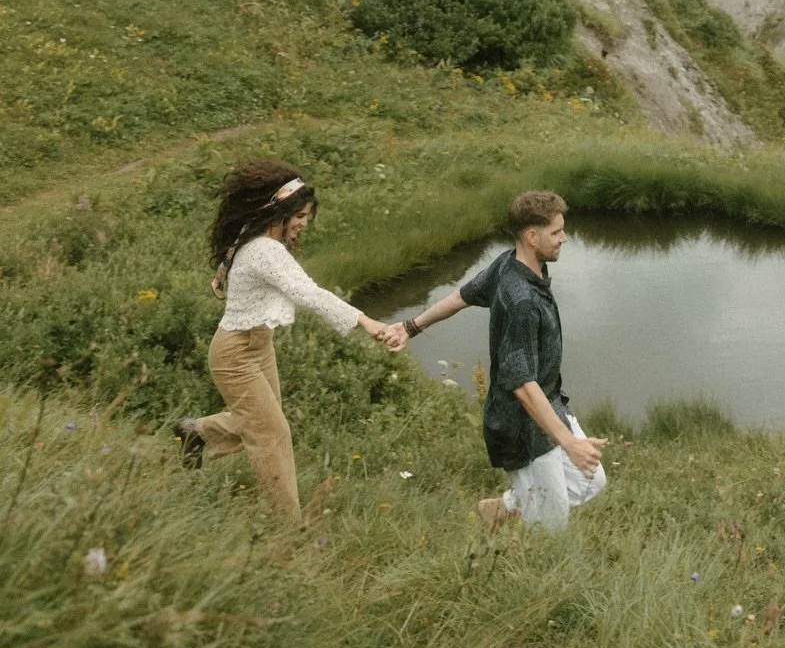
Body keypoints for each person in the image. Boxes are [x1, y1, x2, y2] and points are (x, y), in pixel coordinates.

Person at [173, 159, 393, 523]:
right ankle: (287, 529)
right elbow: (309, 293)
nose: (303, 224)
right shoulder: (266, 251)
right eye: (301, 216)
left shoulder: (258, 238)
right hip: (235, 354)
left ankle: (196, 434)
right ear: (281, 212)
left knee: (259, 423)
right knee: (272, 433)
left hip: (258, 345)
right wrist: (366, 322)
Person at [382, 189, 606, 531]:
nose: (565, 238)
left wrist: (411, 326)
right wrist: (569, 442)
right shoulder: (521, 300)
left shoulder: (510, 262)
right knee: (552, 526)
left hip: (549, 403)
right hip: (522, 426)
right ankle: (526, 554)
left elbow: (461, 296)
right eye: (556, 232)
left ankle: (505, 507)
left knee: (592, 480)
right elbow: (521, 384)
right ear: (532, 236)